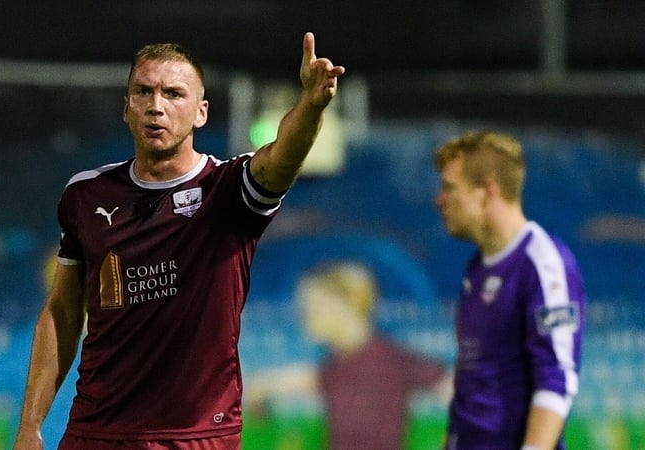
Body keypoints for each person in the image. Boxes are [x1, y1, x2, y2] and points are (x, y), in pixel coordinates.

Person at [13, 32, 345, 450]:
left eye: (173, 94)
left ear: (200, 112)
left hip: (196, 437)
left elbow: (282, 156)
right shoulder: (85, 195)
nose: (156, 106)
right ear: (127, 107)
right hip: (96, 432)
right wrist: (30, 426)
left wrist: (312, 105)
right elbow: (62, 313)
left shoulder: (229, 191)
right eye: (143, 92)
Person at [433, 131, 585, 450]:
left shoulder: (542, 263)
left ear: (488, 191)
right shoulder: (478, 268)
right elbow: (470, 384)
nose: (440, 200)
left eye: (449, 188)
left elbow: (557, 379)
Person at [247, 261, 451, 450]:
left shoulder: (390, 359)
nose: (305, 316)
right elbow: (298, 380)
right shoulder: (336, 364)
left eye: (315, 306)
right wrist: (262, 388)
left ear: (347, 305)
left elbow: (456, 391)